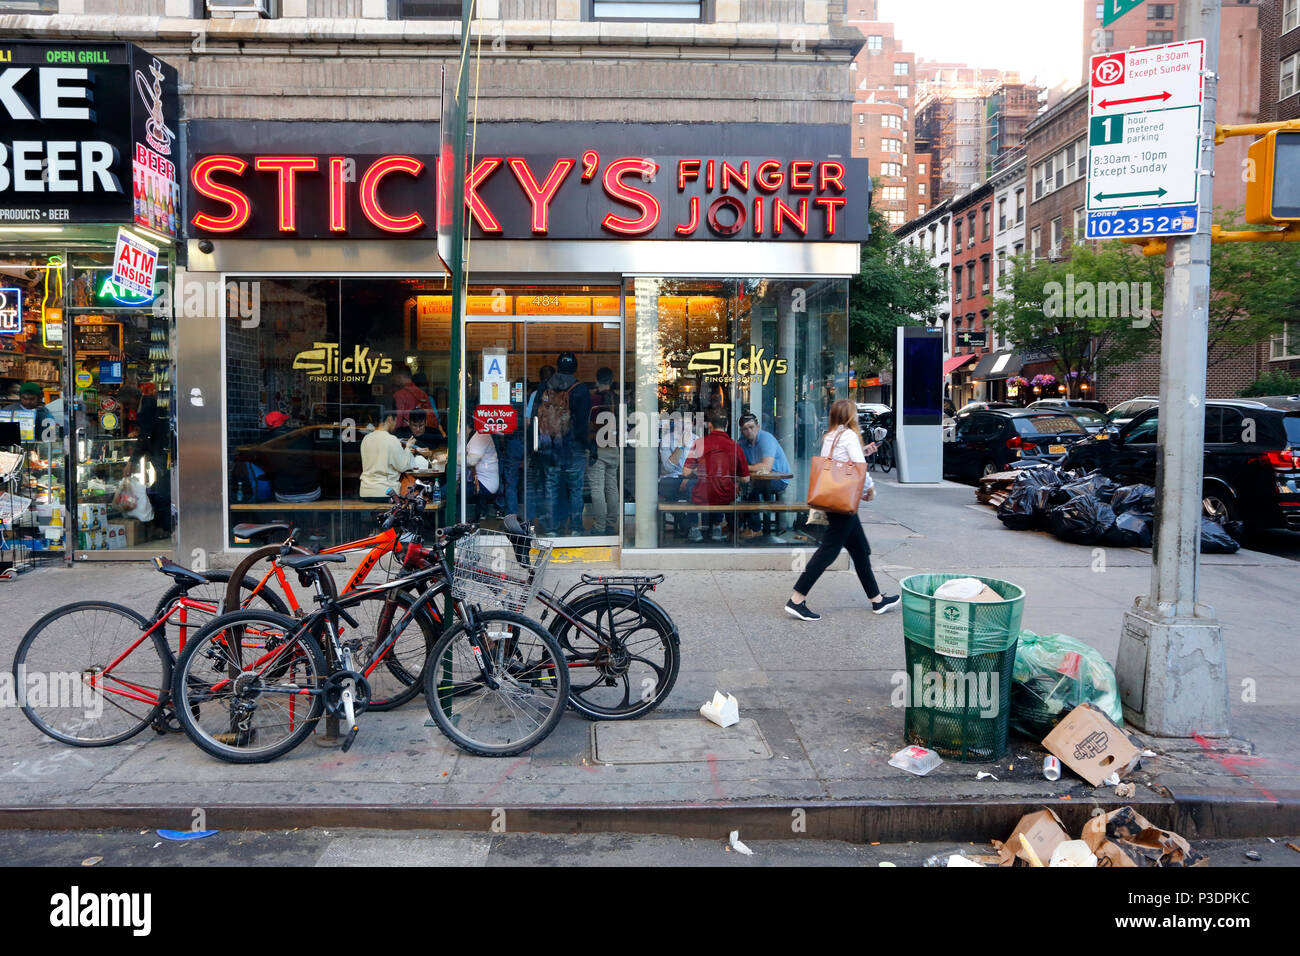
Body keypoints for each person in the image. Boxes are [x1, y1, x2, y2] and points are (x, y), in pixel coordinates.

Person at [785, 399, 899, 621]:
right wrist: (870, 489)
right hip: (844, 502)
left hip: (834, 498)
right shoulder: (848, 436)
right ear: (849, 416)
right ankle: (797, 599)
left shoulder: (830, 436)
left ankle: (877, 600)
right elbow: (858, 469)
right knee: (829, 550)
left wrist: (862, 451)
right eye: (854, 413)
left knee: (860, 550)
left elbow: (840, 463)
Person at [536, 352, 590, 536]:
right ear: (575, 368)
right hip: (574, 446)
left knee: (551, 487)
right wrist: (587, 445)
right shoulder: (581, 390)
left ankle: (552, 528)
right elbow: (583, 423)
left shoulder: (545, 387)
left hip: (550, 445)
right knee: (575, 488)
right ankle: (575, 528)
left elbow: (537, 417)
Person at [682, 410, 748, 543]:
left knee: (690, 487)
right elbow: (746, 479)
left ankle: (694, 528)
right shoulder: (735, 446)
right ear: (727, 425)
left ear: (709, 425)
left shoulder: (699, 443)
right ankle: (717, 526)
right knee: (720, 488)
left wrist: (698, 471)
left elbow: (686, 472)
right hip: (725, 495)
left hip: (702, 494)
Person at [737, 411, 791, 538]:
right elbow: (736, 464)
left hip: (779, 479)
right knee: (744, 485)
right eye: (745, 429)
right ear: (741, 431)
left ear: (758, 426)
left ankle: (755, 528)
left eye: (751, 427)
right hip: (758, 479)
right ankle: (739, 525)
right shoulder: (742, 442)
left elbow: (767, 466)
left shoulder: (766, 439)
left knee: (750, 487)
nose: (749, 431)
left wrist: (745, 468)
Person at [359, 409, 429, 501]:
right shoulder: (392, 440)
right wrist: (408, 448)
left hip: (365, 491)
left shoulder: (366, 439)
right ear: (390, 419)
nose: (395, 424)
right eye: (395, 421)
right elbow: (403, 466)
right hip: (385, 492)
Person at [584, 366, 620, 536]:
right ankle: (612, 525)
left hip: (598, 447)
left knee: (597, 488)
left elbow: (587, 423)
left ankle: (599, 526)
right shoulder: (618, 399)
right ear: (612, 380)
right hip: (614, 446)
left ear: (597, 380)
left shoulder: (594, 400)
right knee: (612, 488)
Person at [264, 410, 321, 503]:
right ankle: (312, 517)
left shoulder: (265, 442)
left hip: (284, 495)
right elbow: (316, 461)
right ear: (284, 422)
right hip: (311, 492)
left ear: (268, 426)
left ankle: (283, 518)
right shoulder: (302, 436)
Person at [465, 416, 501, 521]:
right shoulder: (477, 435)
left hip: (485, 484)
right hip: (483, 480)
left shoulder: (480, 436)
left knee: (452, 491)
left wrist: (453, 459)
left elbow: (471, 461)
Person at [392, 364, 433, 430]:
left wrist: (394, 433)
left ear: (400, 376)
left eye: (394, 376)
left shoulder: (399, 395)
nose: (393, 378)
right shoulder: (423, 394)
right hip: (423, 432)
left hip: (406, 434)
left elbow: (398, 420)